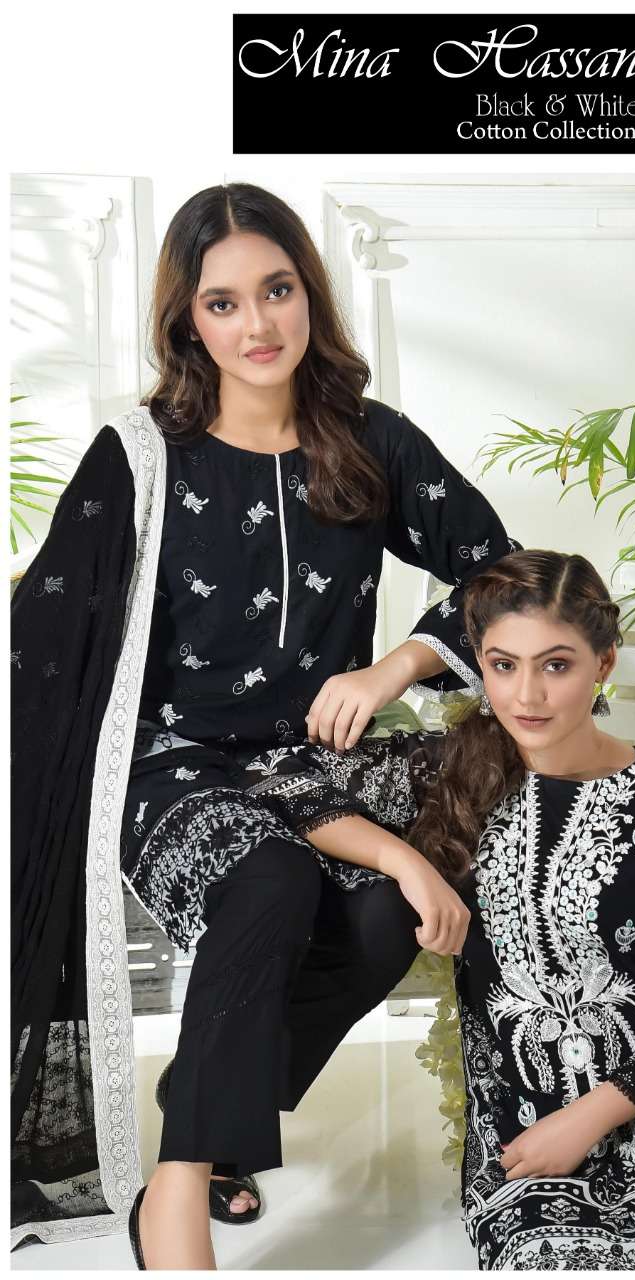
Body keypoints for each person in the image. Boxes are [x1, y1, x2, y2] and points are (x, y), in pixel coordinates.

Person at [11, 181, 519, 1267]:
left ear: (310, 294)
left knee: (383, 917)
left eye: (277, 290)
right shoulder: (142, 456)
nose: (258, 325)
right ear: (186, 320)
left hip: (317, 766)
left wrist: (397, 663)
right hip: (169, 763)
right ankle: (177, 1193)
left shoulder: (370, 443)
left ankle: (206, 1126)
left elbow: (505, 575)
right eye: (224, 302)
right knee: (273, 880)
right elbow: (45, 628)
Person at [253, 549, 635, 1270]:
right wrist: (406, 863)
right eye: (503, 665)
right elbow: (280, 781)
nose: (527, 695)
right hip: (526, 1125)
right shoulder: (451, 773)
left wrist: (590, 1117)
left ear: (603, 664)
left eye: (556, 665)